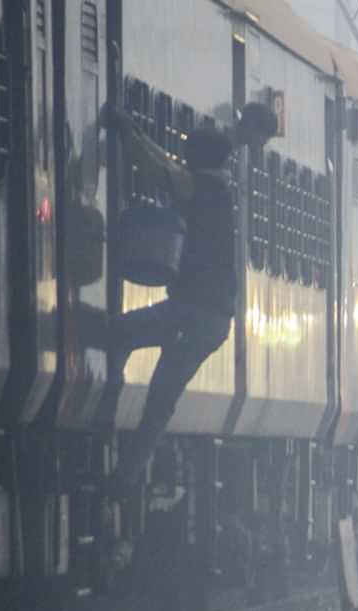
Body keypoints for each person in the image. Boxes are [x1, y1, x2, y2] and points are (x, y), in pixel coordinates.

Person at [100, 102, 278, 504]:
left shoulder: (201, 186)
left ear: (198, 159)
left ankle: (106, 413)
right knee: (162, 398)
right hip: (212, 321)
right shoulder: (221, 188)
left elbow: (159, 168)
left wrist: (127, 130)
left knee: (119, 332)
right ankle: (125, 476)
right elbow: (168, 165)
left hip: (190, 311)